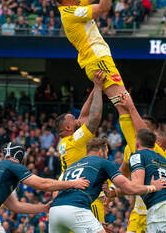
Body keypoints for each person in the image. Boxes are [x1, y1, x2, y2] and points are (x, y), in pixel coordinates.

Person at [53, 0, 146, 154]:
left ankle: (133, 150)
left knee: (123, 105)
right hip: (98, 60)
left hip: (97, 60)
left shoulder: (73, 5)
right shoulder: (70, 12)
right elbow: (103, 6)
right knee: (124, 103)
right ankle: (137, 152)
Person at [0, 142, 90, 233]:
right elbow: (42, 184)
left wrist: (42, 208)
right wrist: (73, 183)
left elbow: (14, 206)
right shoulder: (13, 165)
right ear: (20, 156)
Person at [49, 138, 166, 233]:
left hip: (55, 211)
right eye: (106, 152)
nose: (107, 156)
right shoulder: (103, 162)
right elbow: (129, 187)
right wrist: (152, 187)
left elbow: (56, 193)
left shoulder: (72, 167)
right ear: (101, 151)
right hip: (76, 209)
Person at [55, 71, 108, 224]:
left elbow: (83, 116)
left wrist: (94, 88)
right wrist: (98, 89)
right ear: (67, 127)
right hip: (87, 196)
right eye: (74, 120)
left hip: (70, 198)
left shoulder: (66, 142)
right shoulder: (75, 141)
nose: (78, 121)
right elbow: (94, 118)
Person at [127, 129, 166, 233]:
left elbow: (135, 187)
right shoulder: (163, 158)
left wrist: (152, 187)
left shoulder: (137, 156)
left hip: (161, 207)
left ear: (137, 143)